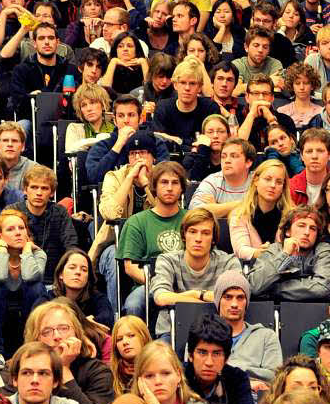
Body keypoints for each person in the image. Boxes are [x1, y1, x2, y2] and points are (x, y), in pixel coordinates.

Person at [149, 206, 242, 338]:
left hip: (217, 333)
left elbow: (234, 299)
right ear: (184, 235)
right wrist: (203, 298)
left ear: (213, 238)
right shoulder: (167, 260)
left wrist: (191, 297)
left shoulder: (228, 262)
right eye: (192, 232)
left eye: (205, 233)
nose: (198, 238)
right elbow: (161, 297)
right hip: (173, 331)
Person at [115, 161, 187, 319]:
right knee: (133, 305)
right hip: (149, 284)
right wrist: (160, 285)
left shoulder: (191, 219)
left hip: (188, 283)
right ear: (154, 186)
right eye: (164, 182)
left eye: (175, 183)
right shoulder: (136, 222)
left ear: (182, 188)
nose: (169, 188)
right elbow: (130, 268)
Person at [23, 298, 114, 404]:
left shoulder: (98, 371)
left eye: (63, 328)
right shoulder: (22, 371)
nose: (57, 336)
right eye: (47, 331)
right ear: (35, 340)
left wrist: (64, 368)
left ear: (76, 332)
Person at [0, 208, 48, 366]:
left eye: (21, 228)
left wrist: (27, 250)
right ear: (0, 235)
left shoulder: (38, 254)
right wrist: (1, 248)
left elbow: (30, 276)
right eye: (10, 229)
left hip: (27, 309)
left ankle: (31, 346)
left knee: (37, 287)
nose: (18, 233)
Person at [246, 204, 330, 302]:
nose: (307, 232)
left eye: (313, 228)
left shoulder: (325, 252)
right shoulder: (272, 251)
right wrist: (284, 255)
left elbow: (323, 287)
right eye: (301, 226)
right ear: (288, 231)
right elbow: (254, 287)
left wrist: (273, 289)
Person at [214, 271, 282, 391]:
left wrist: (225, 370)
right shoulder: (202, 335)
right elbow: (196, 377)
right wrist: (246, 381)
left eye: (240, 297)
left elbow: (275, 377)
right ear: (218, 301)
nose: (234, 304)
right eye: (228, 297)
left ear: (247, 302)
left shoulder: (266, 336)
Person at [184, 313, 253, 404]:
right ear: (190, 355)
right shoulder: (178, 377)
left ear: (226, 358)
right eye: (202, 352)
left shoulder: (237, 377)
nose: (209, 362)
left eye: (216, 354)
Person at [18, 165, 78, 282]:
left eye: (44, 188)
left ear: (52, 192)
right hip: (21, 280)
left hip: (55, 279)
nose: (39, 193)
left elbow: (71, 244)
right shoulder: (13, 211)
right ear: (25, 190)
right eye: (34, 187)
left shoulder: (60, 212)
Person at [228, 159, 292, 262]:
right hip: (250, 270)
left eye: (279, 182)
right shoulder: (240, 214)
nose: (273, 185)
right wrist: (258, 253)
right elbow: (240, 249)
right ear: (256, 180)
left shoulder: (291, 216)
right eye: (268, 179)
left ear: (283, 187)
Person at [52, 249, 114, 333]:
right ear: (61, 274)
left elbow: (106, 321)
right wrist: (85, 323)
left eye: (84, 270)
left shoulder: (98, 298)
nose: (78, 272)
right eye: (72, 268)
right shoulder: (49, 297)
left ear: (88, 277)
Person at [289, 127, 330, 206]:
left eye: (320, 151)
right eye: (309, 151)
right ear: (302, 156)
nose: (314, 156)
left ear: (329, 155)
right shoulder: (291, 187)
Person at [109, 317, 150, 397]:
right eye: (119, 339)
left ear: (144, 337)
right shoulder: (109, 375)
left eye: (131, 336)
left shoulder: (157, 370)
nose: (125, 342)